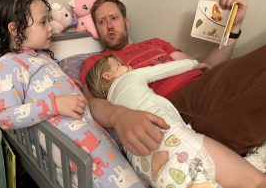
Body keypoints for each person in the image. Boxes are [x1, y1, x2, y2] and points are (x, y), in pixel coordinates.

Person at [79, 0, 266, 157]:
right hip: (174, 107)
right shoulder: (97, 64)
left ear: (126, 22)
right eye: (102, 22)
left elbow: (205, 66)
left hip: (203, 86)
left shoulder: (155, 43)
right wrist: (118, 116)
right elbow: (92, 103)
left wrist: (233, 27)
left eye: (114, 18)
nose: (109, 26)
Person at [0, 0, 147, 188]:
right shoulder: (8, 64)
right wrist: (54, 104)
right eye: (43, 22)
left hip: (88, 126)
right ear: (14, 29)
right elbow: (4, 116)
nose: (50, 28)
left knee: (130, 159)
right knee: (118, 176)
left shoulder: (41, 57)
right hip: (72, 140)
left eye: (49, 21)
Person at [85, 55, 266, 188]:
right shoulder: (130, 77)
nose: (128, 65)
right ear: (108, 76)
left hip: (146, 167)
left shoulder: (110, 106)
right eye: (121, 64)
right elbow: (163, 69)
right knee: (257, 182)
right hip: (170, 138)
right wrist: (194, 63)